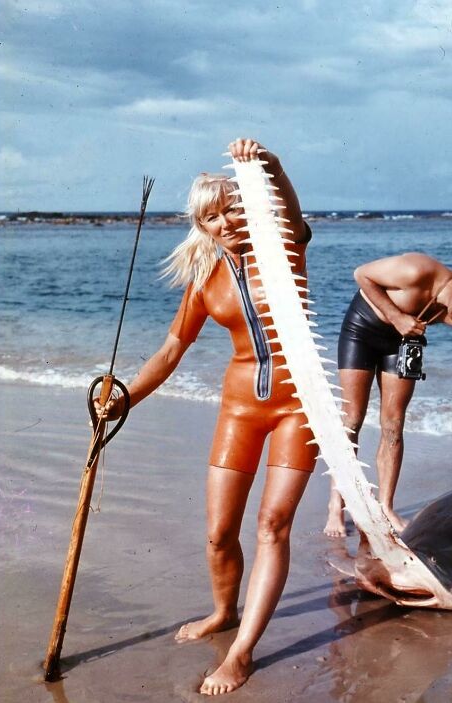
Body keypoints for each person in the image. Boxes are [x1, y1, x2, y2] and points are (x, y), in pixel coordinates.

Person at [96, 138, 317, 695]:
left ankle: (241, 654)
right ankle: (224, 611)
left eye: (232, 208)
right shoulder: (204, 280)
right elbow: (171, 352)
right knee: (219, 534)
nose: (224, 221)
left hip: (300, 408)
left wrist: (273, 166)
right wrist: (123, 399)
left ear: (248, 207)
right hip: (240, 408)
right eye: (211, 215)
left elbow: (291, 213)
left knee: (272, 526)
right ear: (202, 223)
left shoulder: (284, 250)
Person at [323, 253, 452, 538]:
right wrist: (396, 316)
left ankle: (386, 506)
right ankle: (337, 503)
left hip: (405, 341)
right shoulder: (416, 270)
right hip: (363, 328)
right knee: (352, 418)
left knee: (394, 424)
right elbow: (361, 273)